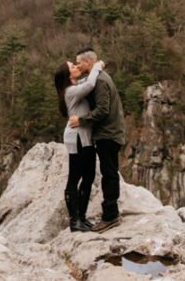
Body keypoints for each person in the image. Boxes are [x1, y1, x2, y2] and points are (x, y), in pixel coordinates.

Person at [69, 48, 125, 232]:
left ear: (88, 62)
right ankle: (110, 213)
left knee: (109, 173)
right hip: (109, 132)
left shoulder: (100, 81)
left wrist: (82, 120)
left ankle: (110, 216)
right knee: (109, 172)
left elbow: (102, 110)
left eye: (79, 63)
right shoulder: (99, 77)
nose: (77, 66)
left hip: (108, 134)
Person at [53, 56, 104, 232]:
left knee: (89, 176)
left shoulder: (73, 87)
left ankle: (82, 217)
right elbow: (89, 85)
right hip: (76, 138)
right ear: (68, 75)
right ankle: (74, 221)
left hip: (85, 137)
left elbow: (85, 81)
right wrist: (96, 66)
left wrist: (88, 69)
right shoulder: (70, 91)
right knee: (74, 179)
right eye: (73, 66)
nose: (76, 67)